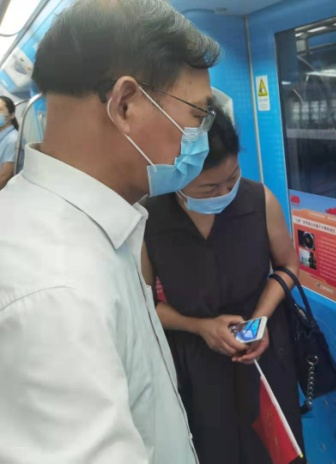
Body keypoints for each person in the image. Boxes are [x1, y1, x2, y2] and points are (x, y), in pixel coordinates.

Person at [0, 0, 220, 462]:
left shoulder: (92, 229)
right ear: (125, 105)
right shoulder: (56, 291)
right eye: (198, 115)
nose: (201, 136)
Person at [142, 106, 305, 463]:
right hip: (196, 366)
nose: (225, 191)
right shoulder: (149, 219)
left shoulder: (258, 200)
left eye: (232, 178)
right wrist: (200, 327)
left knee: (273, 450)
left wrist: (260, 319)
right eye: (209, 187)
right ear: (178, 177)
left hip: (263, 355)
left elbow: (288, 266)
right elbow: (144, 305)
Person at [0, 95, 19, 189]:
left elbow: (4, 177)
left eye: (0, 110)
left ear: (11, 115)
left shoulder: (13, 140)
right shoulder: (3, 137)